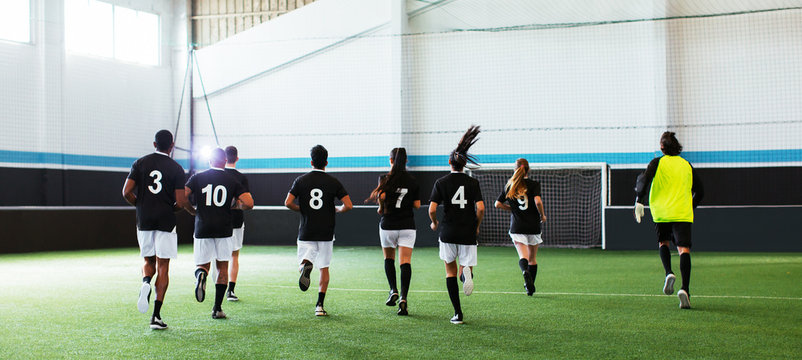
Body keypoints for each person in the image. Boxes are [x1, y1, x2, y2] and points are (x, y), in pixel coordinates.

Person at [122, 129, 188, 330]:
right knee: (163, 266)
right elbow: (181, 202)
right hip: (166, 220)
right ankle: (156, 316)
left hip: (144, 218)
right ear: (172, 146)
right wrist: (169, 209)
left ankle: (145, 282)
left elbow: (126, 192)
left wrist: (141, 205)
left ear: (154, 144)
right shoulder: (177, 168)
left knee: (148, 260)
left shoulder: (140, 163)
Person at [634, 131, 703, 309]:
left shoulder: (657, 162)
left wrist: (639, 201)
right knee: (683, 249)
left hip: (661, 212)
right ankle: (685, 289)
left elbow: (644, 180)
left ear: (662, 147)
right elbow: (700, 191)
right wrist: (690, 206)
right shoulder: (686, 165)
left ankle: (668, 273)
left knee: (663, 242)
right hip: (682, 213)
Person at [183, 148, 254, 319]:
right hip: (224, 229)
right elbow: (249, 203)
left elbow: (182, 196)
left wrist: (192, 210)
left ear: (210, 161)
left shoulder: (197, 177)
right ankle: (217, 308)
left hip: (202, 227)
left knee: (202, 264)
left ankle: (201, 275)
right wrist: (236, 205)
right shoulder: (232, 180)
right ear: (225, 161)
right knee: (222, 267)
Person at [284, 145, 353, 316]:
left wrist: (302, 209)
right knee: (324, 267)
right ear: (326, 162)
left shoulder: (300, 180)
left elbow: (288, 202)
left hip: (307, 230)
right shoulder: (333, 182)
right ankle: (319, 306)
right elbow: (348, 205)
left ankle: (305, 267)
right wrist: (338, 210)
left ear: (311, 162)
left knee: (304, 261)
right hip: (326, 231)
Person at [428, 125, 484, 324]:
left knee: (449, 272)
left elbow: (432, 209)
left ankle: (458, 313)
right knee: (465, 266)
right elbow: (481, 208)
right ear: (464, 164)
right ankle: (466, 274)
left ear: (449, 163)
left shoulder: (441, 182)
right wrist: (477, 225)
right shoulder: (473, 183)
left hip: (448, 232)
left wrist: (434, 223)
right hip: (467, 231)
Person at [366, 147, 420, 316]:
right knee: (405, 262)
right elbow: (417, 205)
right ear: (406, 161)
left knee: (389, 259)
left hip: (388, 225)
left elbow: (381, 205)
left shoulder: (384, 179)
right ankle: (403, 298)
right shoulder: (413, 181)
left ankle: (393, 290)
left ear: (390, 160)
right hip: (407, 226)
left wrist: (382, 206)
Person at [494, 158, 546, 296]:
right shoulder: (534, 184)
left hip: (517, 227)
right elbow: (538, 202)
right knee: (532, 259)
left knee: (523, 256)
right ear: (528, 170)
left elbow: (497, 204)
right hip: (533, 226)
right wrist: (542, 215)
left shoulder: (510, 185)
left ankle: (524, 272)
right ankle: (530, 288)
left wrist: (511, 209)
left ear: (515, 169)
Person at [224, 146, 250, 302]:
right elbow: (246, 201)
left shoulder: (218, 175)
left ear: (224, 158)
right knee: (234, 256)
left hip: (219, 220)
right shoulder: (241, 178)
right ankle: (230, 291)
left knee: (218, 256)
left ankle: (208, 280)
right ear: (237, 158)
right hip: (236, 221)